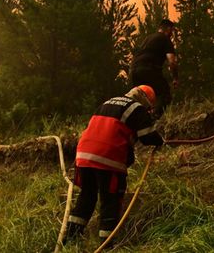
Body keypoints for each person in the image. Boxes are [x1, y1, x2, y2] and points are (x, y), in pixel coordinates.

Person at [64, 85, 164, 245]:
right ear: (145, 101)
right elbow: (148, 136)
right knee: (111, 200)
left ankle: (69, 239)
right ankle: (107, 244)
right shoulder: (136, 108)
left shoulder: (107, 103)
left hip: (83, 156)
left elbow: (110, 132)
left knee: (86, 197)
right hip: (107, 158)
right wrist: (161, 141)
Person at [129, 19, 178, 115]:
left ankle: (138, 122)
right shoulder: (165, 39)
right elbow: (172, 62)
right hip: (148, 70)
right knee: (165, 95)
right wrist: (175, 78)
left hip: (134, 70)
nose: (172, 34)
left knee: (140, 99)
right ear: (168, 29)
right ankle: (155, 120)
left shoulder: (148, 38)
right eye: (172, 31)